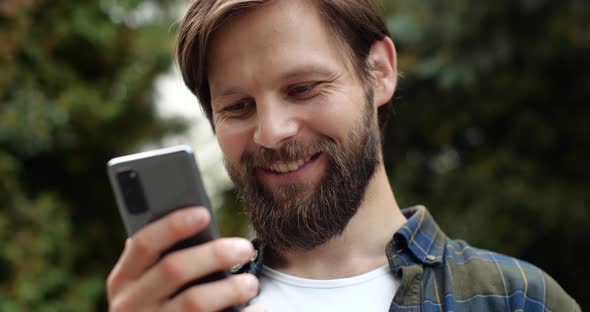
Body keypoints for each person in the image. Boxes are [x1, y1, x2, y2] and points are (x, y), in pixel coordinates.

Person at [106, 0, 580, 311]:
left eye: (303, 87)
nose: (271, 133)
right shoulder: (187, 303)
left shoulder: (517, 300)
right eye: (238, 106)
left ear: (379, 72)